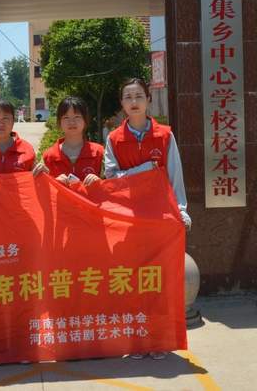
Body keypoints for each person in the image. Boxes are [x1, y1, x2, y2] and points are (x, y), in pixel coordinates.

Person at [104, 78, 191, 360]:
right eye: (128, 97)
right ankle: (136, 340)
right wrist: (142, 170)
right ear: (121, 103)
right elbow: (111, 178)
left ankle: (158, 340)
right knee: (132, 280)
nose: (134, 102)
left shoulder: (165, 136)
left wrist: (181, 210)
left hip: (159, 219)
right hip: (128, 220)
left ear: (148, 99)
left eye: (139, 96)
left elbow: (175, 175)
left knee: (157, 280)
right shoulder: (114, 139)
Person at [41, 96, 103, 187]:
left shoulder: (99, 152)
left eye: (77, 117)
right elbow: (44, 190)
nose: (72, 122)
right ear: (59, 122)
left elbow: (112, 186)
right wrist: (54, 183)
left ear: (85, 120)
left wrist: (100, 182)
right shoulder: (49, 157)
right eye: (66, 117)